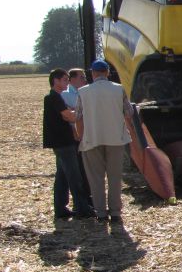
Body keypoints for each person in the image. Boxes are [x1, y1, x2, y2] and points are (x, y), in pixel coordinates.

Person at [75, 59, 133, 222]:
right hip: (116, 138)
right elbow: (128, 113)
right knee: (115, 177)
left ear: (92, 73)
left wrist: (81, 136)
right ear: (107, 72)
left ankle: (100, 212)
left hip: (92, 139)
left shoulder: (83, 91)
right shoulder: (119, 89)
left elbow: (78, 117)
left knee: (96, 178)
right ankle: (115, 212)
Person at [43, 69, 92, 219]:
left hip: (60, 142)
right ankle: (83, 209)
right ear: (56, 81)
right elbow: (68, 116)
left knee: (62, 177)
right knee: (74, 176)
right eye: (64, 79)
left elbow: (67, 115)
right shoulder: (54, 98)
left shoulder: (55, 97)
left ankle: (60, 208)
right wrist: (80, 113)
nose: (66, 82)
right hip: (63, 142)